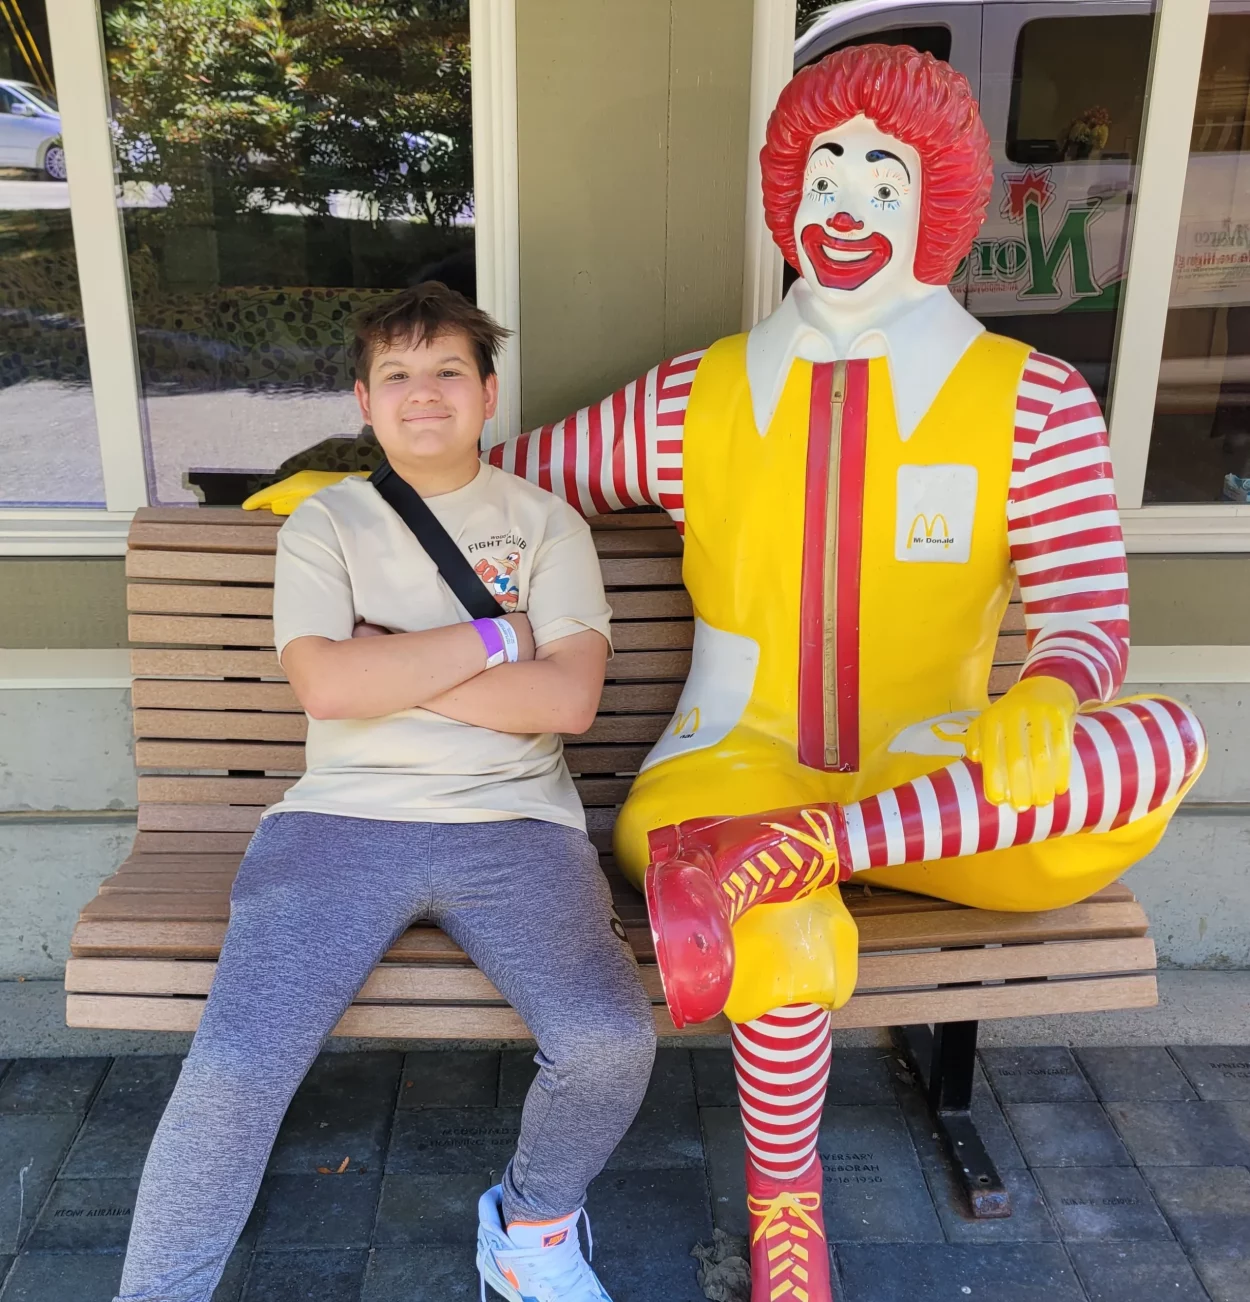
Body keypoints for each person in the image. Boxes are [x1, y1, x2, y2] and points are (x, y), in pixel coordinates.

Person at [246, 46, 1207, 1302]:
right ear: (783, 196)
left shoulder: (1034, 403)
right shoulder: (694, 398)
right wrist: (351, 483)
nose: (848, 202)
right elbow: (501, 465)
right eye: (824, 169)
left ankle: (810, 838)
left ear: (943, 202)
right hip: (725, 769)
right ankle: (786, 1230)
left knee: (1167, 738)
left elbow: (1084, 610)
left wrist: (1050, 692)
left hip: (939, 783)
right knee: (777, 921)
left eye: (884, 172)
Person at [115, 283, 656, 1302]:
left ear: (487, 393)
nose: (423, 394)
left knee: (608, 1041)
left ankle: (532, 1226)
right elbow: (327, 685)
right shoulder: (326, 524)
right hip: (338, 825)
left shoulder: (546, 525)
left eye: (448, 370)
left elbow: (570, 702)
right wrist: (500, 640)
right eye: (396, 376)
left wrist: (396, 665)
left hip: (516, 829)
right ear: (363, 402)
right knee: (233, 1067)